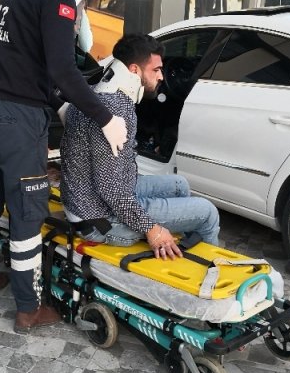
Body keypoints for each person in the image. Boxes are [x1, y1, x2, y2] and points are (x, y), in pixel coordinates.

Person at [0, 0, 127, 333]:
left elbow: (24, 58)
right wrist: (105, 117)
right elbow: (63, 68)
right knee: (27, 210)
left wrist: (55, 105)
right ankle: (27, 308)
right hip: (16, 116)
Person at [61, 33, 220, 257]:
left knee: (179, 185)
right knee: (208, 212)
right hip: (99, 219)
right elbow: (111, 190)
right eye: (156, 70)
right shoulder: (115, 109)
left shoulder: (96, 90)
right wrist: (151, 229)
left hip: (88, 197)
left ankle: (181, 251)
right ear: (134, 70)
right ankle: (210, 277)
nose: (162, 76)